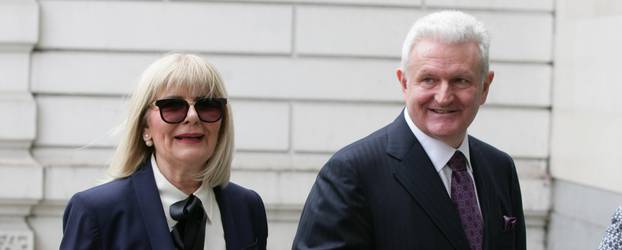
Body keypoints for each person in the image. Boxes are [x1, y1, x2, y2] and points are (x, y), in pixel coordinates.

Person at [292, 10, 526, 250]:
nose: (444, 97)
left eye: (460, 80)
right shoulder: (351, 174)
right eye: (429, 79)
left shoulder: (500, 168)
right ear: (404, 83)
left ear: (485, 88)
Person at [60, 53, 268, 250]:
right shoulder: (96, 211)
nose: (193, 116)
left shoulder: (247, 208)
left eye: (207, 106)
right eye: (173, 106)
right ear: (145, 128)